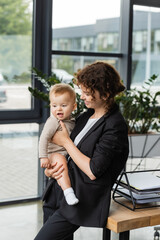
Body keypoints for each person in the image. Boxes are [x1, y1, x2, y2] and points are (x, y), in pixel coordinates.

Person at [34, 61, 129, 240]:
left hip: (81, 198)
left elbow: (93, 171)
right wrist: (50, 170)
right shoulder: (86, 116)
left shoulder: (115, 125)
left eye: (87, 93)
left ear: (105, 94)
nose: (82, 97)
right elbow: (66, 154)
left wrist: (66, 141)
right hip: (58, 190)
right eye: (82, 92)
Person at [39, 83, 79, 205]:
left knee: (62, 165)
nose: (58, 109)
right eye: (54, 105)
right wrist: (43, 157)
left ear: (74, 107)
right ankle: (68, 192)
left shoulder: (72, 121)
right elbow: (43, 138)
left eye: (63, 105)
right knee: (60, 163)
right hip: (54, 153)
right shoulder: (53, 121)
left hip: (65, 153)